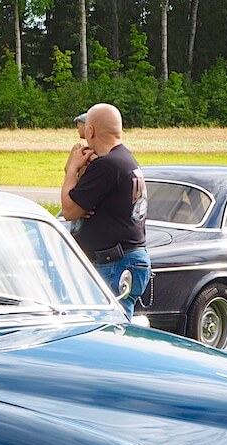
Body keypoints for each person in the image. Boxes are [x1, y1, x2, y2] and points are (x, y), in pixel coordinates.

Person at [60, 103, 150, 316]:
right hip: (127, 258)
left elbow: (69, 210)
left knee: (109, 331)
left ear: (90, 130)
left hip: (114, 263)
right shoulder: (125, 160)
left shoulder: (107, 165)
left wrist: (72, 168)